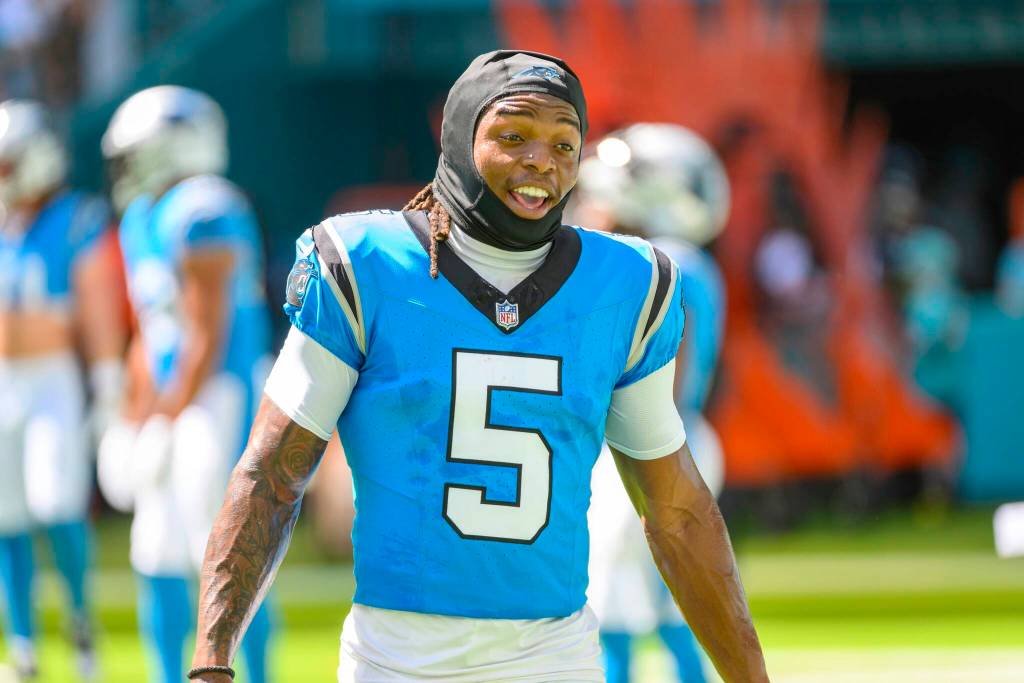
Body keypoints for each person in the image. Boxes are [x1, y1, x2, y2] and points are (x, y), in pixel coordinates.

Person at [189, 50, 768, 683]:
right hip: (396, 660)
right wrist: (211, 662)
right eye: (513, 136)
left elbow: (676, 509)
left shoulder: (627, 282)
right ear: (461, 138)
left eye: (564, 142)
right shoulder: (364, 262)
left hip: (554, 658)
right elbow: (272, 474)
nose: (541, 160)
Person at [98, 86, 274, 683]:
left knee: (225, 553)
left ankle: (256, 674)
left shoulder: (206, 208)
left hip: (219, 395)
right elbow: (151, 336)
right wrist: (132, 417)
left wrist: (163, 418)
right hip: (179, 398)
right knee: (154, 549)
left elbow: (206, 335)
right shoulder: (142, 218)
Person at [574, 123, 729, 683]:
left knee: (613, 593)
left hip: (651, 440)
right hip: (682, 435)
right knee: (671, 595)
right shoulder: (688, 260)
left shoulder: (664, 263)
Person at [0, 99, 125, 681]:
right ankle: (22, 644)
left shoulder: (77, 217)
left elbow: (97, 307)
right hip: (5, 381)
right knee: (7, 516)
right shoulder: (6, 224)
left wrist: (106, 381)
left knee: (56, 504)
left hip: (53, 379)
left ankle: (80, 625)